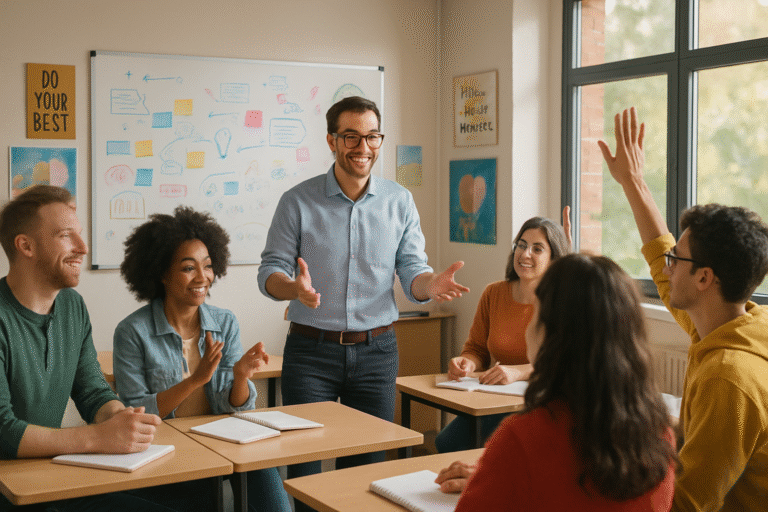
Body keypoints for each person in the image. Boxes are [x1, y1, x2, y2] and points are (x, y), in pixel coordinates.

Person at [257, 96, 469, 497]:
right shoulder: (298, 201)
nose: (363, 147)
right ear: (331, 141)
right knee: (306, 470)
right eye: (351, 136)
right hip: (310, 353)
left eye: (372, 136)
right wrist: (293, 289)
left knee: (367, 469)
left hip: (376, 351)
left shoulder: (398, 201)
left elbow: (412, 273)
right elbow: (269, 272)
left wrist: (430, 285)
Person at [598, 107, 768, 512]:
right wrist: (633, 182)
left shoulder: (729, 376)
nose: (668, 266)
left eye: (679, 259)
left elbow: (687, 506)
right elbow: (660, 260)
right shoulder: (732, 324)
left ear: (705, 279)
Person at [437, 253, 677, 510]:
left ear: (551, 334)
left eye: (535, 315)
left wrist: (500, 476)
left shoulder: (521, 438)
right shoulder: (661, 434)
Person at [0, 185, 173, 512]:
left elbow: (92, 391)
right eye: (67, 235)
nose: (83, 247)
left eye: (80, 235)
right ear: (25, 245)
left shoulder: (72, 306)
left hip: (50, 480)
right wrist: (99, 438)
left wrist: (122, 419)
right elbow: (4, 432)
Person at [113, 206, 291, 512]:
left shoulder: (224, 323)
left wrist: (240, 377)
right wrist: (195, 381)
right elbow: (137, 412)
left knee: (269, 487)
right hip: (165, 448)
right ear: (161, 273)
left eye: (207, 266)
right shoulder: (132, 331)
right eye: (188, 267)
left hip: (222, 440)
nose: (202, 277)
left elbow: (231, 406)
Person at [435, 211, 570, 453]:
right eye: (522, 245)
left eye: (538, 249)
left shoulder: (562, 301)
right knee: (446, 442)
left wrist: (517, 373)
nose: (526, 254)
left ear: (553, 258)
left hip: (545, 403)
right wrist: (466, 363)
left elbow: (565, 363)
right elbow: (476, 349)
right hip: (495, 400)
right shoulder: (494, 293)